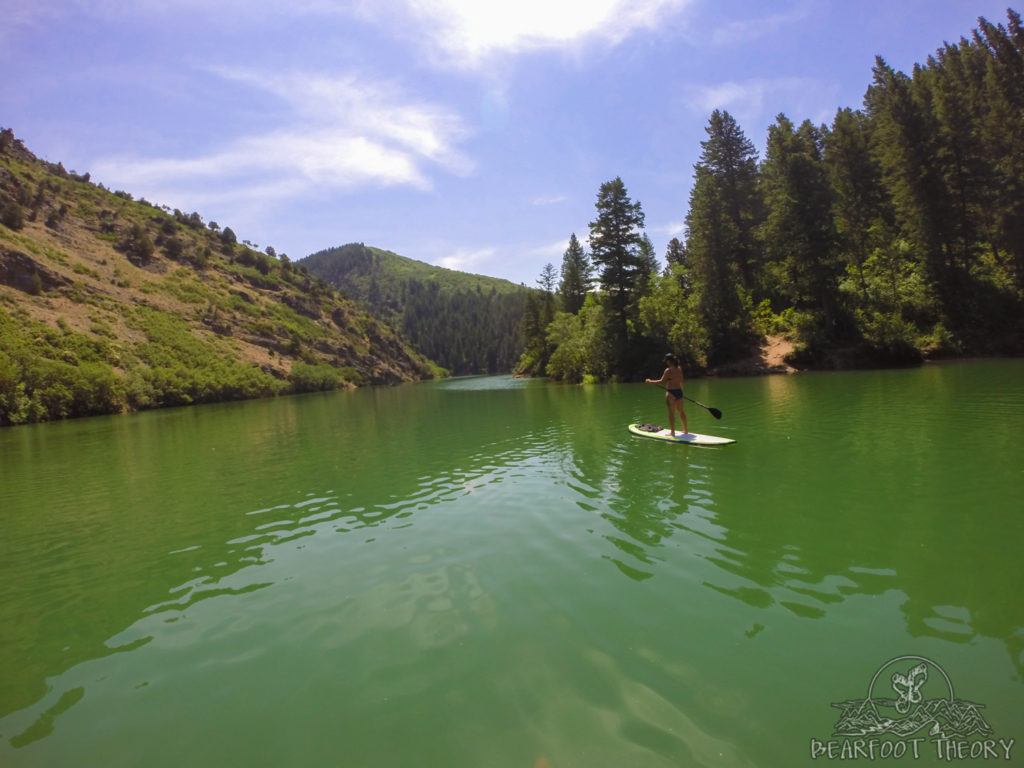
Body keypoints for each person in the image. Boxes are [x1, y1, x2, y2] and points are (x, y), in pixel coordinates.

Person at [645, 353, 688, 436]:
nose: (666, 363)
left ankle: (672, 432)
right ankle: (685, 431)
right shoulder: (679, 368)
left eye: (666, 361)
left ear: (669, 361)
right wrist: (682, 393)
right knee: (681, 412)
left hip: (671, 393)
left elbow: (661, 381)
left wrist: (650, 382)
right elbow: (681, 380)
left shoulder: (668, 370)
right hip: (679, 392)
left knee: (671, 413)